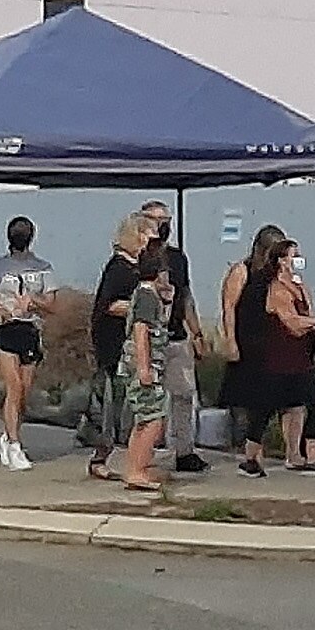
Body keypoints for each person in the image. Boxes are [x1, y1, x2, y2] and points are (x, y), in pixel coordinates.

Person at [228, 228, 315, 478]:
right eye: (293, 256)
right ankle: (251, 457)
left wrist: (311, 320)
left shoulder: (298, 284)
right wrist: (310, 323)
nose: (297, 261)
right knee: (264, 407)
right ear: (281, 260)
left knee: (310, 401)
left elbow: (308, 311)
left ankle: (307, 456)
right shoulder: (271, 286)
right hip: (275, 354)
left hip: (300, 354)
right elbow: (289, 320)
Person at [134, 201, 208, 475]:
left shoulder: (177, 258)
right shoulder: (137, 257)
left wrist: (197, 332)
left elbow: (185, 295)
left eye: (166, 220)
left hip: (176, 336)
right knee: (147, 400)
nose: (163, 225)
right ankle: (144, 452)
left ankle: (184, 450)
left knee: (183, 394)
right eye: (157, 220)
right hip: (150, 337)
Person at [0, 216, 54, 471]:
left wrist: (33, 302)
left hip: (30, 329)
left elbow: (51, 304)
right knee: (13, 386)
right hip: (6, 329)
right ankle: (14, 444)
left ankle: (8, 434)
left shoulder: (42, 267)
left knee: (23, 391)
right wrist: (1, 309)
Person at [114, 238, 173, 492]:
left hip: (137, 364)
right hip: (144, 366)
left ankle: (135, 467)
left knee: (143, 418)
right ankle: (137, 470)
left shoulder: (143, 294)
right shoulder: (147, 297)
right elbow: (140, 330)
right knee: (154, 418)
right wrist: (144, 367)